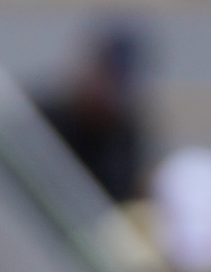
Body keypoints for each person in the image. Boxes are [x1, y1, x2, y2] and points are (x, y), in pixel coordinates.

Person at [39, 19, 149, 204]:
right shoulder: (43, 118)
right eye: (103, 77)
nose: (104, 91)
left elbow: (126, 194)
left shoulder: (124, 131)